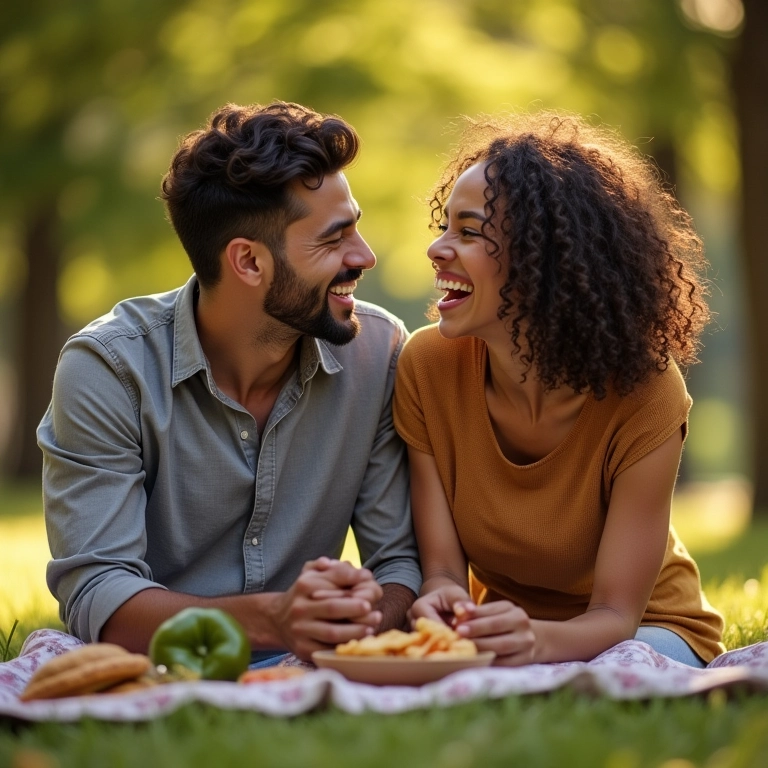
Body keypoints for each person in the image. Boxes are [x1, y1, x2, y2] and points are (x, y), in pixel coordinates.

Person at [38, 101, 420, 664]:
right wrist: (276, 620)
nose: (364, 256)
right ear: (248, 262)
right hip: (161, 670)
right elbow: (100, 593)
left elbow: (399, 564)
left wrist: (354, 622)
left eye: (355, 228)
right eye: (333, 239)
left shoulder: (379, 353)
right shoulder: (109, 369)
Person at [393, 112, 724, 667]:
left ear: (539, 260)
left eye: (469, 232)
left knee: (620, 675)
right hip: (507, 633)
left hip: (645, 631)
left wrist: (532, 642)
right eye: (444, 226)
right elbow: (445, 571)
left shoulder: (646, 391)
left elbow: (616, 616)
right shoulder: (427, 367)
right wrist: (443, 603)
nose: (438, 248)